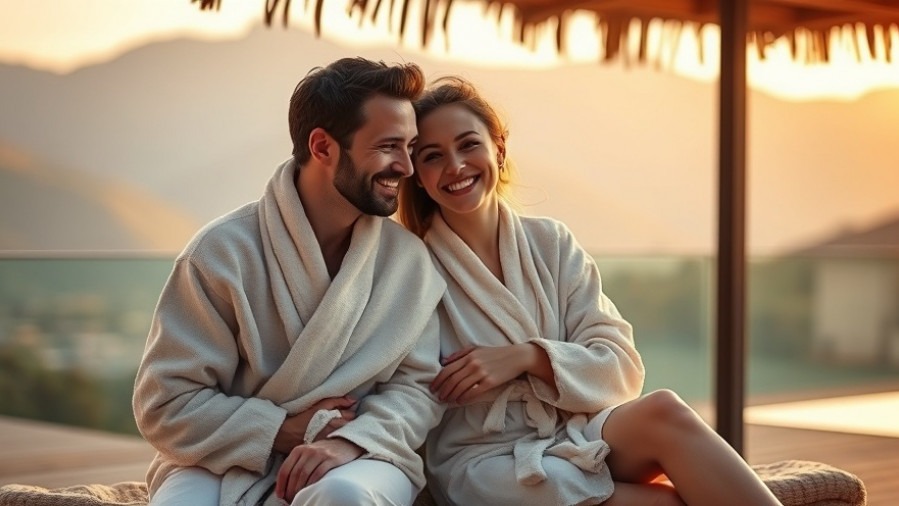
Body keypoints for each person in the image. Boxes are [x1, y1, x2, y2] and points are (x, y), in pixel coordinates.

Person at [397, 76, 783, 506]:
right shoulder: (413, 271)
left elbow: (621, 367)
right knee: (668, 502)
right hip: (484, 460)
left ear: (499, 150)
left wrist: (528, 357)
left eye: (468, 145)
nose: (455, 166)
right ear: (418, 176)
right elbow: (402, 389)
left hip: (574, 428)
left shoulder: (551, 243)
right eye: (433, 156)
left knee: (665, 409)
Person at [133, 57, 447, 506]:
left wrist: (348, 442)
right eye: (388, 146)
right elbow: (166, 404)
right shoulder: (222, 253)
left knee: (344, 495)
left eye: (410, 147)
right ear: (322, 147)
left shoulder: (408, 264)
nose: (407, 167)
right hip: (223, 454)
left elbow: (417, 390)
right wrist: (280, 429)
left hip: (362, 451)